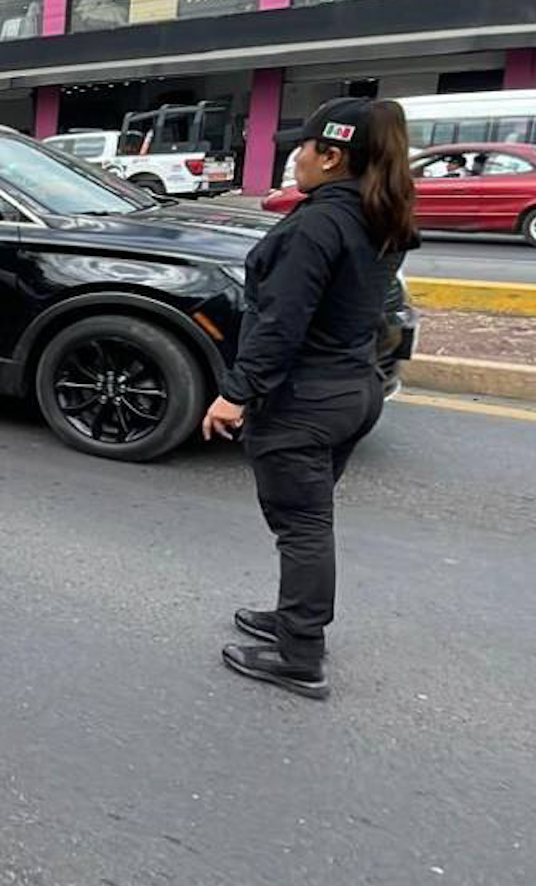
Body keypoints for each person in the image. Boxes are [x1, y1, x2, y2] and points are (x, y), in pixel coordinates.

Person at [202, 97, 418, 700]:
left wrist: (235, 394)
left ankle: (300, 654)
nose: (295, 155)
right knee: (307, 521)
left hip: (305, 400)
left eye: (304, 147)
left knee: (301, 526)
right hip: (355, 389)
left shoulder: (320, 223)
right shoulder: (381, 212)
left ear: (332, 154)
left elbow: (281, 322)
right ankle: (290, 617)